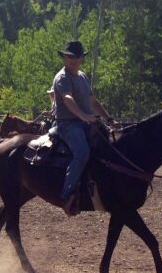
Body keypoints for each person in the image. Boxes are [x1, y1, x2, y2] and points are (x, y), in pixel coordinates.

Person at [49, 40, 117, 216]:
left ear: (81, 59)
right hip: (67, 125)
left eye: (75, 57)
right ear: (64, 57)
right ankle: (65, 196)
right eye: (68, 56)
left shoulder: (83, 77)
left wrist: (108, 118)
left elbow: (93, 101)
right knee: (82, 152)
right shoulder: (62, 78)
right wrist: (85, 117)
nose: (71, 60)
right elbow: (67, 99)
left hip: (86, 122)